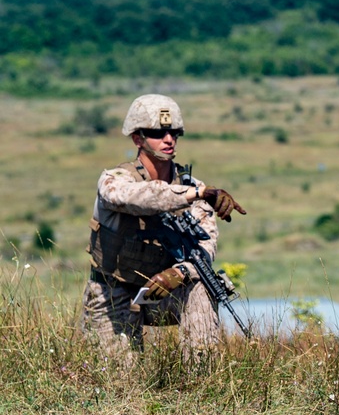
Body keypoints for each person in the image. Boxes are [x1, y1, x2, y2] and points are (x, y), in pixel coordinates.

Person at [81, 94, 246, 366]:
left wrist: (180, 272)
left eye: (174, 133)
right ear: (137, 138)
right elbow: (142, 196)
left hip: (163, 294)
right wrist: (197, 194)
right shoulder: (115, 180)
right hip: (113, 294)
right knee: (116, 385)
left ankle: (201, 382)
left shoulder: (195, 188)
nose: (168, 140)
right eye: (158, 133)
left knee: (203, 287)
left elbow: (206, 249)